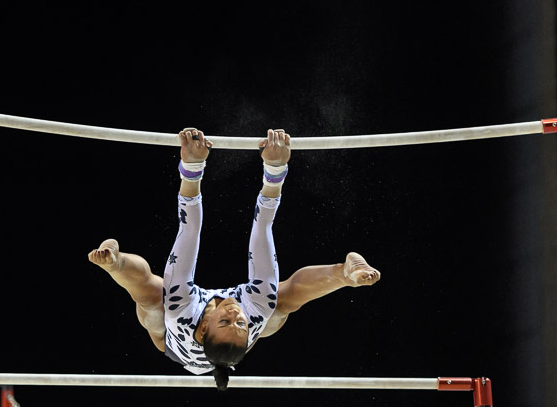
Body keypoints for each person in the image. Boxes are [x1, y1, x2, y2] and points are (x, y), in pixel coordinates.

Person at [89, 127, 380, 389]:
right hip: (237, 339)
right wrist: (275, 169)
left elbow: (188, 228)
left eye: (226, 323)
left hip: (174, 344)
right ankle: (344, 274)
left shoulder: (181, 313)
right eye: (241, 325)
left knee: (153, 300)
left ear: (203, 327)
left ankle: (115, 263)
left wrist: (192, 166)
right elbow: (264, 223)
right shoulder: (255, 313)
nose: (236, 316)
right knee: (281, 303)